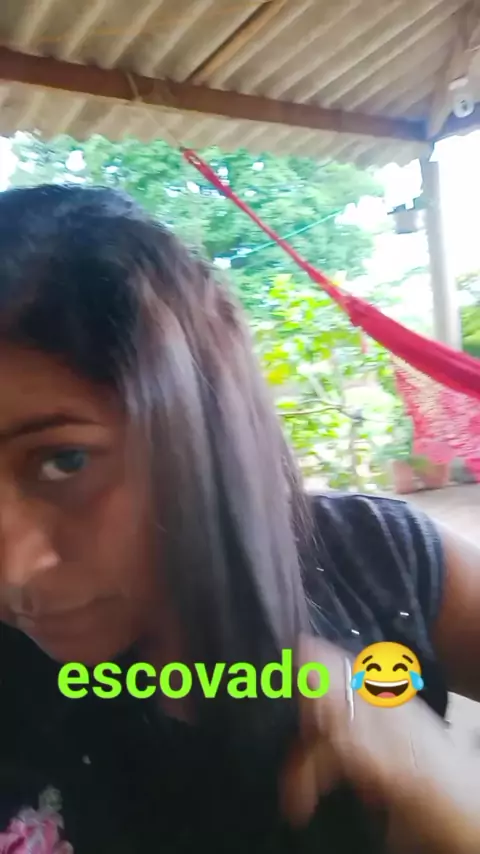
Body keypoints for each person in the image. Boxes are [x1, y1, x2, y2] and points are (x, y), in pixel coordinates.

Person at [0, 184, 480, 854]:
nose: (13, 571)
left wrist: (449, 795)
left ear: (199, 423)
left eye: (65, 461)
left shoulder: (376, 563)